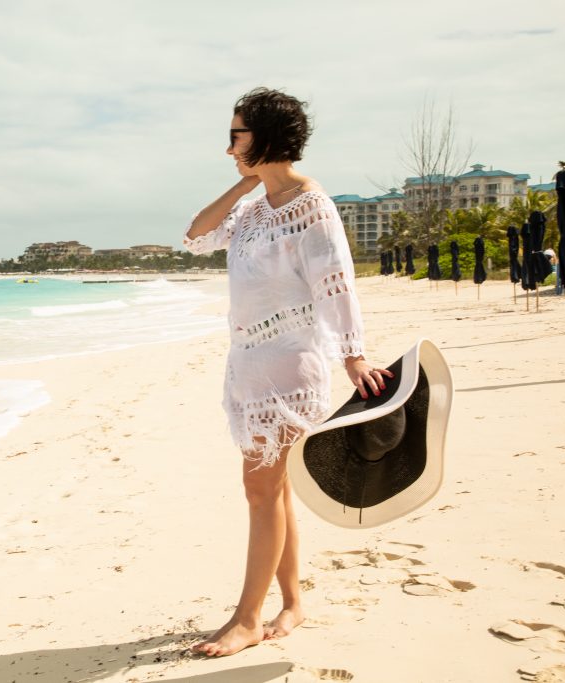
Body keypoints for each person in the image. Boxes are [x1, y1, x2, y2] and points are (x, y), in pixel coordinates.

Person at [182, 87, 394, 657]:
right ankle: (294, 604)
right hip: (247, 364)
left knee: (259, 489)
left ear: (268, 135)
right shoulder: (252, 210)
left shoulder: (312, 205)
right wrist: (248, 181)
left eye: (237, 136)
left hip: (290, 368)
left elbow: (336, 283)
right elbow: (198, 234)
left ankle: (247, 617)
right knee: (272, 490)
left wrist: (353, 355)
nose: (229, 148)